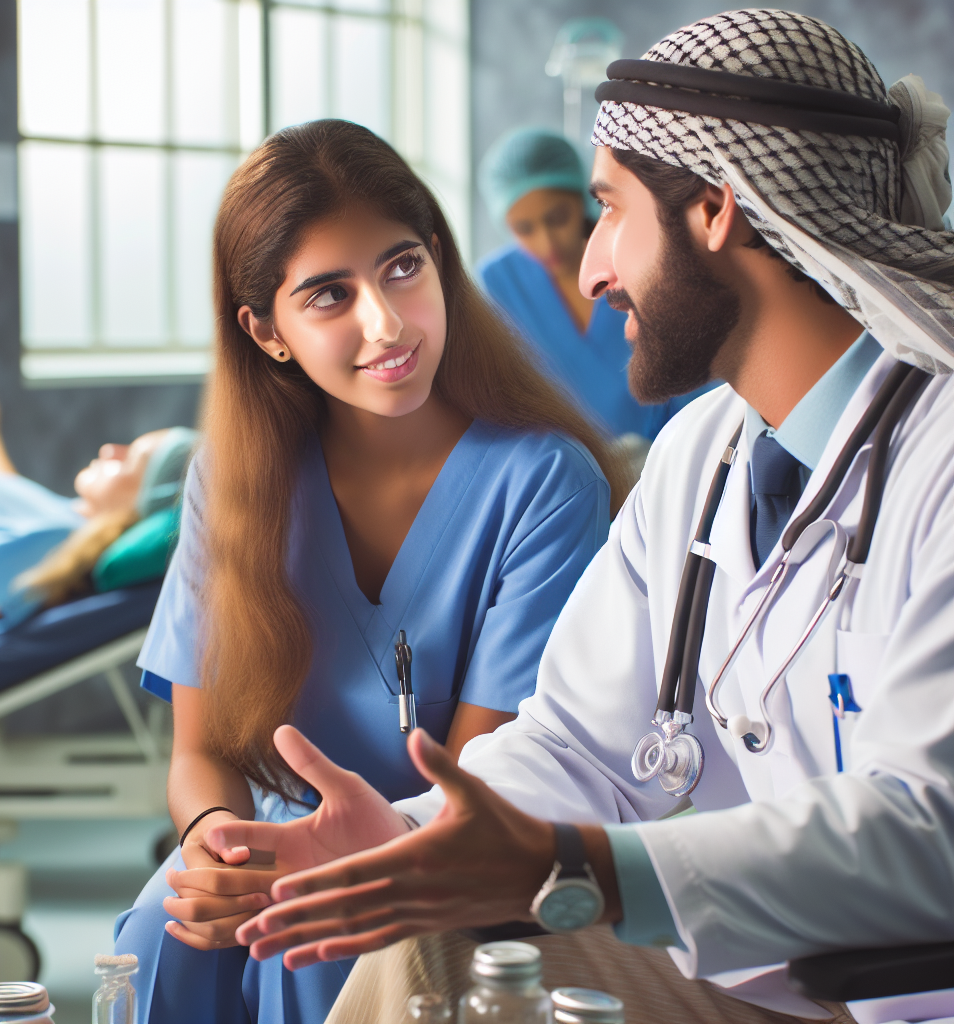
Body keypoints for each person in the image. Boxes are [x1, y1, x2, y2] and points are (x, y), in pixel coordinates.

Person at [203, 11, 954, 1024]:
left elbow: (933, 829)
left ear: (716, 211)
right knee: (441, 946)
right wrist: (404, 834)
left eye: (608, 211)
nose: (591, 270)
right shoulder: (701, 453)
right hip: (779, 984)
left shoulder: (941, 454)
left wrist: (581, 866)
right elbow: (571, 747)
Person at [111, 119, 628, 1024]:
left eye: (402, 268)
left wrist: (325, 861)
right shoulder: (229, 482)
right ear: (266, 331)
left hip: (441, 855)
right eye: (328, 295)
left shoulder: (545, 485)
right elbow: (198, 755)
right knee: (163, 931)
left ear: (439, 260)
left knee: (321, 940)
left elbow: (480, 783)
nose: (386, 323)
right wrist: (210, 845)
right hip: (264, 847)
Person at [477, 127, 709, 449]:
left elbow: (695, 377)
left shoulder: (634, 257)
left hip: (667, 455)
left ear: (585, 198)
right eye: (524, 229)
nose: (547, 242)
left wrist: (670, 454)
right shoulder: (498, 284)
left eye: (557, 218)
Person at [0, 375, 197, 645]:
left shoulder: (57, 544)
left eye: (128, 460)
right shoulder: (62, 523)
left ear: (141, 507)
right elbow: (12, 502)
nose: (109, 451)